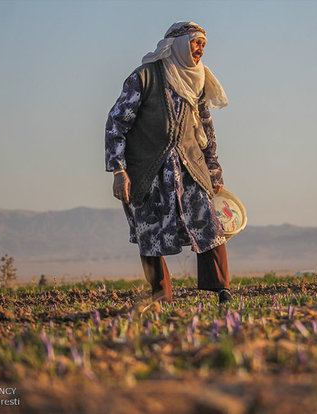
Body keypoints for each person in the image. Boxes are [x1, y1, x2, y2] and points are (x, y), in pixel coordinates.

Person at [105, 21, 232, 304]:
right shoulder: (144, 78)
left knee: (209, 225)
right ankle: (160, 297)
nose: (199, 49)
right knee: (150, 232)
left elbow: (207, 132)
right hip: (150, 171)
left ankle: (222, 290)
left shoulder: (199, 80)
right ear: (176, 44)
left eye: (203, 44)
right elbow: (116, 124)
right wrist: (118, 170)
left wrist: (213, 171)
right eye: (194, 42)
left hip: (191, 168)